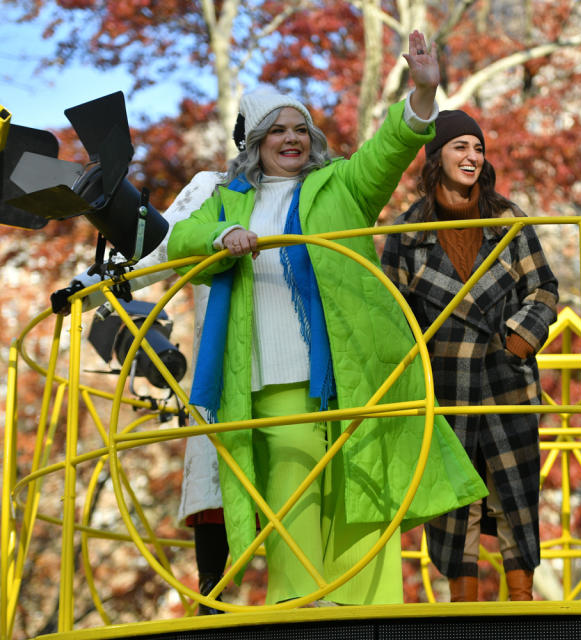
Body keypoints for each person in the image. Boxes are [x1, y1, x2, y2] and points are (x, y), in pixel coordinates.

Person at [167, 32, 487, 606]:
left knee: (361, 490)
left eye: (299, 130)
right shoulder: (229, 200)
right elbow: (181, 239)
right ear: (257, 141)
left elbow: (389, 147)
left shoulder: (340, 185)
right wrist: (221, 235)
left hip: (351, 374)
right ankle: (300, 609)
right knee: (291, 497)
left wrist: (423, 89)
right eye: (276, 131)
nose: (290, 140)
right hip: (269, 380)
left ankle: (373, 612)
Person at [381, 110, 558, 602]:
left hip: (507, 378)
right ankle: (463, 608)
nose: (472, 157)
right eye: (461, 147)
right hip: (445, 385)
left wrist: (520, 338)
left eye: (478, 148)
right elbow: (393, 315)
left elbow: (543, 287)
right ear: (437, 157)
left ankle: (521, 601)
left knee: (516, 496)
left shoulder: (509, 220)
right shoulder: (405, 234)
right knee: (454, 502)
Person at [54, 170, 230, 614]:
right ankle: (212, 596)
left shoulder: (317, 183)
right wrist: (85, 289)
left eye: (297, 129)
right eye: (265, 131)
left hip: (305, 365)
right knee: (217, 471)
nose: (283, 140)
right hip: (226, 364)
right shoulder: (218, 187)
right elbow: (157, 250)